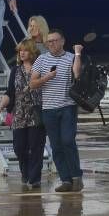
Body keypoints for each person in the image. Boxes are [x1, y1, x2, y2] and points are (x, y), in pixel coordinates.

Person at [29, 30, 84, 193]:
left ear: (62, 41)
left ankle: (76, 177)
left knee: (68, 140)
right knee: (56, 145)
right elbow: (33, 84)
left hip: (67, 106)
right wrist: (47, 77)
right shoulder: (41, 59)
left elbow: (77, 73)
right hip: (48, 108)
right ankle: (65, 179)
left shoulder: (70, 57)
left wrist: (78, 53)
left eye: (54, 40)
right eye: (49, 41)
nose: (51, 44)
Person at [0, 39, 46, 189]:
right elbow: (9, 92)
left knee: (36, 147)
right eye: (20, 51)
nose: (22, 53)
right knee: (19, 147)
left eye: (25, 50)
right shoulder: (15, 70)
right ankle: (25, 172)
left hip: (36, 113)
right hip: (19, 114)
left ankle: (35, 178)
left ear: (32, 52)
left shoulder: (40, 68)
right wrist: (0, 107)